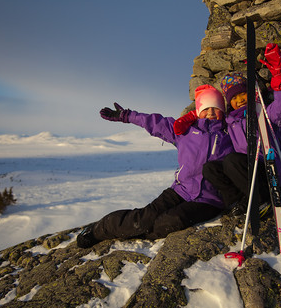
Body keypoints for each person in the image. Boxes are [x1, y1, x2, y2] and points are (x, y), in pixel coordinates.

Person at [77, 85, 234, 248]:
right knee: (142, 220)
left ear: (222, 111)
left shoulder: (230, 135)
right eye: (206, 108)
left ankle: (134, 234)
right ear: (198, 110)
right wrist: (127, 115)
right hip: (180, 190)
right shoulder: (185, 131)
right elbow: (155, 123)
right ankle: (99, 229)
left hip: (209, 200)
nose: (210, 112)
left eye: (215, 108)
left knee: (170, 222)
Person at [202, 43, 281, 216]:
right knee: (210, 168)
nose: (239, 100)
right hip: (245, 174)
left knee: (232, 161)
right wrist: (194, 116)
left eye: (242, 93)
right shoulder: (230, 122)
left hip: (267, 169)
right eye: (234, 97)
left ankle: (262, 200)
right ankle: (238, 202)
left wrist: (278, 74)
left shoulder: (263, 112)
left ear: (251, 92)